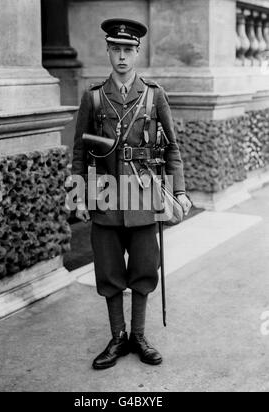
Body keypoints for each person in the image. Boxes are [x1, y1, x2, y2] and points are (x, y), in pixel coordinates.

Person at [69, 18, 192, 370]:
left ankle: (138, 335)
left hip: (143, 194)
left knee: (143, 267)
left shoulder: (154, 95)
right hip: (105, 194)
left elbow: (172, 148)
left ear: (137, 52)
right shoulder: (93, 98)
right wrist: (77, 196)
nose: (122, 56)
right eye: (116, 49)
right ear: (108, 50)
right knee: (108, 272)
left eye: (128, 50)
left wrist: (178, 190)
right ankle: (117, 337)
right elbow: (80, 152)